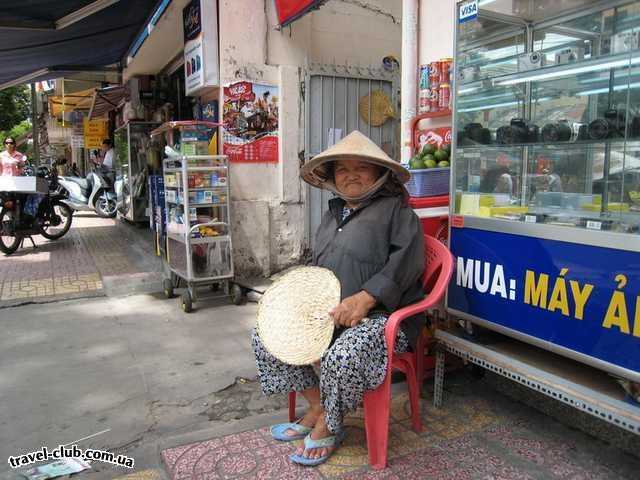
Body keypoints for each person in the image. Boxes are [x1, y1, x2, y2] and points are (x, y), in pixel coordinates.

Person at [252, 131, 425, 466]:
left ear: (380, 175)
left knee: (343, 355)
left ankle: (332, 423)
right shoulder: (333, 215)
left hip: (383, 319)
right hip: (331, 313)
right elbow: (318, 268)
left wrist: (367, 297)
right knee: (266, 336)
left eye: (362, 167)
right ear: (331, 177)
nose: (352, 175)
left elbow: (407, 264)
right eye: (342, 169)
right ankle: (318, 406)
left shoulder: (398, 212)